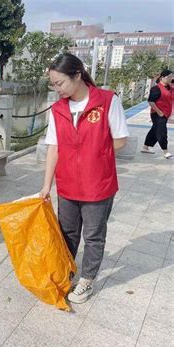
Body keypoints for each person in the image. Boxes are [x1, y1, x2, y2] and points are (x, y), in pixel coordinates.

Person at [40, 53, 129, 304]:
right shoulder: (58, 109)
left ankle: (87, 280)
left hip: (98, 184)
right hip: (67, 184)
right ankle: (67, 272)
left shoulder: (107, 101)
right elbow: (53, 147)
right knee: (67, 233)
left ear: (77, 75)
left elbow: (120, 139)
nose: (57, 89)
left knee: (94, 235)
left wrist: (94, 154)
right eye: (53, 85)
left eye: (60, 84)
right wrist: (47, 185)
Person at [141, 69, 173, 158]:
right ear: (162, 77)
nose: (171, 78)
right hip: (157, 113)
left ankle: (145, 147)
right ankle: (165, 151)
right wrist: (159, 112)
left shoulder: (170, 88)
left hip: (165, 113)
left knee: (155, 130)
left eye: (172, 76)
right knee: (162, 131)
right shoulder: (156, 89)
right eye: (169, 77)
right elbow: (151, 101)